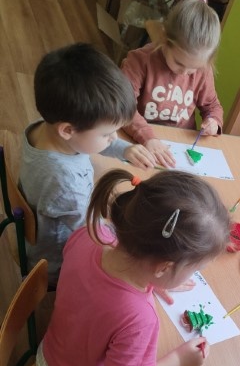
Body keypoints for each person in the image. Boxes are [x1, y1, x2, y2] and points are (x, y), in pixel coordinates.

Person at [36, 168, 230, 366]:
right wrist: (178, 359)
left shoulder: (91, 233)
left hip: (49, 349)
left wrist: (152, 281)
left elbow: (95, 292)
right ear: (163, 267)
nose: (193, 275)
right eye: (194, 269)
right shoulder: (140, 318)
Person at [19, 43, 163, 286]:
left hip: (56, 229)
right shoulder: (65, 183)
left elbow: (86, 140)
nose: (114, 138)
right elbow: (92, 236)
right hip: (58, 264)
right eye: (107, 133)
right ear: (67, 130)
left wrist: (124, 149)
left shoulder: (44, 127)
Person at [121, 0, 224, 161]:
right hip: (139, 137)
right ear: (163, 38)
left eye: (194, 68)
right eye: (179, 63)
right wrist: (148, 137)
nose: (185, 72)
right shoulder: (139, 61)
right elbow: (122, 106)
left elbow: (212, 106)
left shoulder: (204, 71)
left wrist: (214, 121)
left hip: (180, 142)